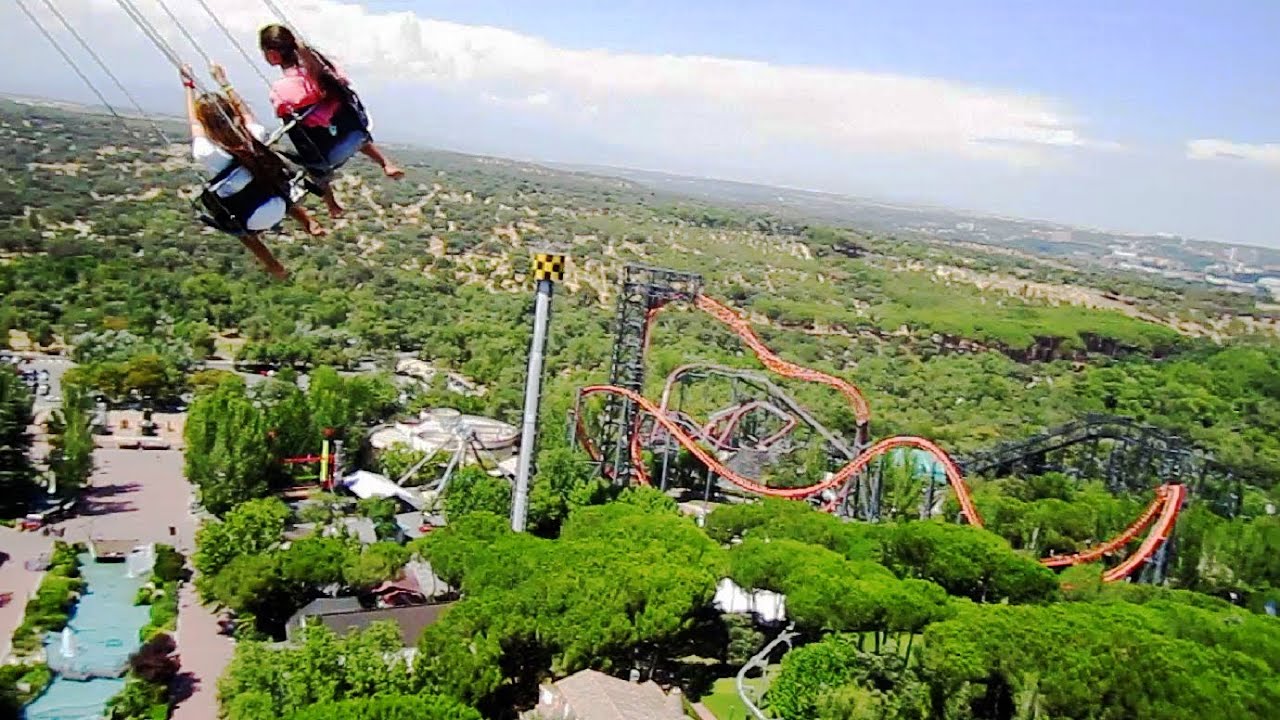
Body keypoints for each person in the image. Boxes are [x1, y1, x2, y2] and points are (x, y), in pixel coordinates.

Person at [182, 63, 324, 279]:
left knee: (238, 228)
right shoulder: (254, 135)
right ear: (232, 113)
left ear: (206, 125)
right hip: (281, 203)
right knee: (269, 182)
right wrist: (224, 82)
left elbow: (195, 124)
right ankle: (308, 222)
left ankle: (273, 264)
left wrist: (188, 86)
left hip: (251, 220)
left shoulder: (207, 152)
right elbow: (245, 112)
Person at [259, 23, 403, 218]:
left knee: (306, 149)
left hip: (328, 155)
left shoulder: (281, 90)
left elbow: (296, 132)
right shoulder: (326, 68)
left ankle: (331, 203)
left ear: (273, 55)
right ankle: (386, 163)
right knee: (339, 123)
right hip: (357, 131)